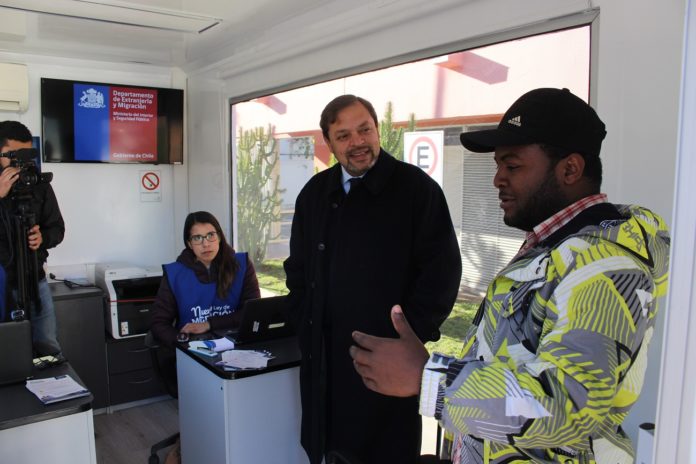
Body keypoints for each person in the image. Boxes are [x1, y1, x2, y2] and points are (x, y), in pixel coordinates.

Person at [349, 88, 671, 463]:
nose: (497, 179)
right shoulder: (557, 246)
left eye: (513, 166)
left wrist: (430, 379)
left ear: (570, 169)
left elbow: (567, 406)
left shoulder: (605, 265)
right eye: (498, 165)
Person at [284, 94, 462, 464]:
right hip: (322, 360)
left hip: (385, 364)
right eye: (344, 135)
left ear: (378, 130)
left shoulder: (417, 190)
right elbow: (297, 271)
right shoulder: (314, 194)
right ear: (329, 143)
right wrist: (305, 321)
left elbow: (441, 275)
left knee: (383, 453)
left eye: (364, 130)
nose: (358, 142)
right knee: (326, 448)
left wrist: (408, 340)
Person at [0, 120, 65, 360]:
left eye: (27, 155)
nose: (21, 162)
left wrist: (43, 238)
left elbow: (57, 228)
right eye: (14, 155)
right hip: (3, 285)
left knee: (48, 348)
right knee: (9, 355)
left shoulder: (38, 184)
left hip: (36, 281)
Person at [150, 210, 261, 349]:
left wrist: (209, 324)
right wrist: (183, 344)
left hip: (236, 345)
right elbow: (158, 323)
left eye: (210, 235)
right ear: (189, 244)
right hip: (192, 348)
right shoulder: (175, 273)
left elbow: (252, 313)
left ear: (219, 237)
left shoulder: (242, 264)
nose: (206, 244)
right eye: (197, 238)